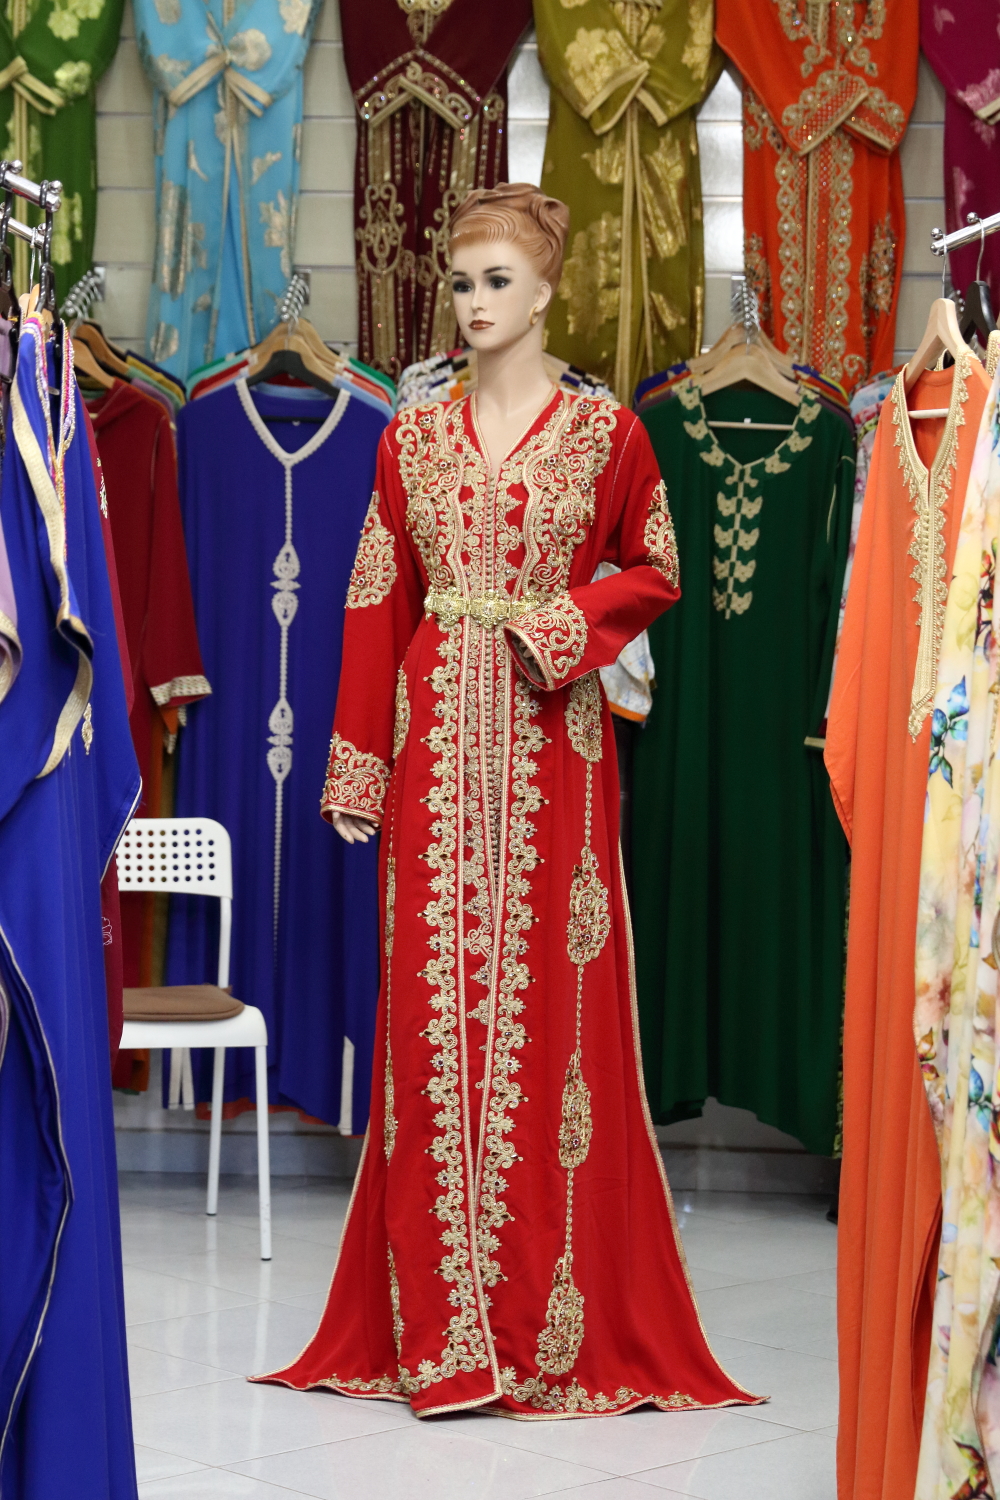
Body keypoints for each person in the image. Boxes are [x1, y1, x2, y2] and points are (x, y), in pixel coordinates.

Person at [257, 183, 761, 1420]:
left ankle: (544, 1318)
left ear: (544, 293)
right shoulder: (409, 439)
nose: (474, 303)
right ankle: (440, 1328)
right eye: (461, 281)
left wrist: (563, 625)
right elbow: (373, 598)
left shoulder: (607, 436)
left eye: (496, 282)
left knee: (552, 1022)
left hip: (555, 749)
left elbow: (657, 566)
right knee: (433, 1016)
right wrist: (356, 764)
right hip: (432, 743)